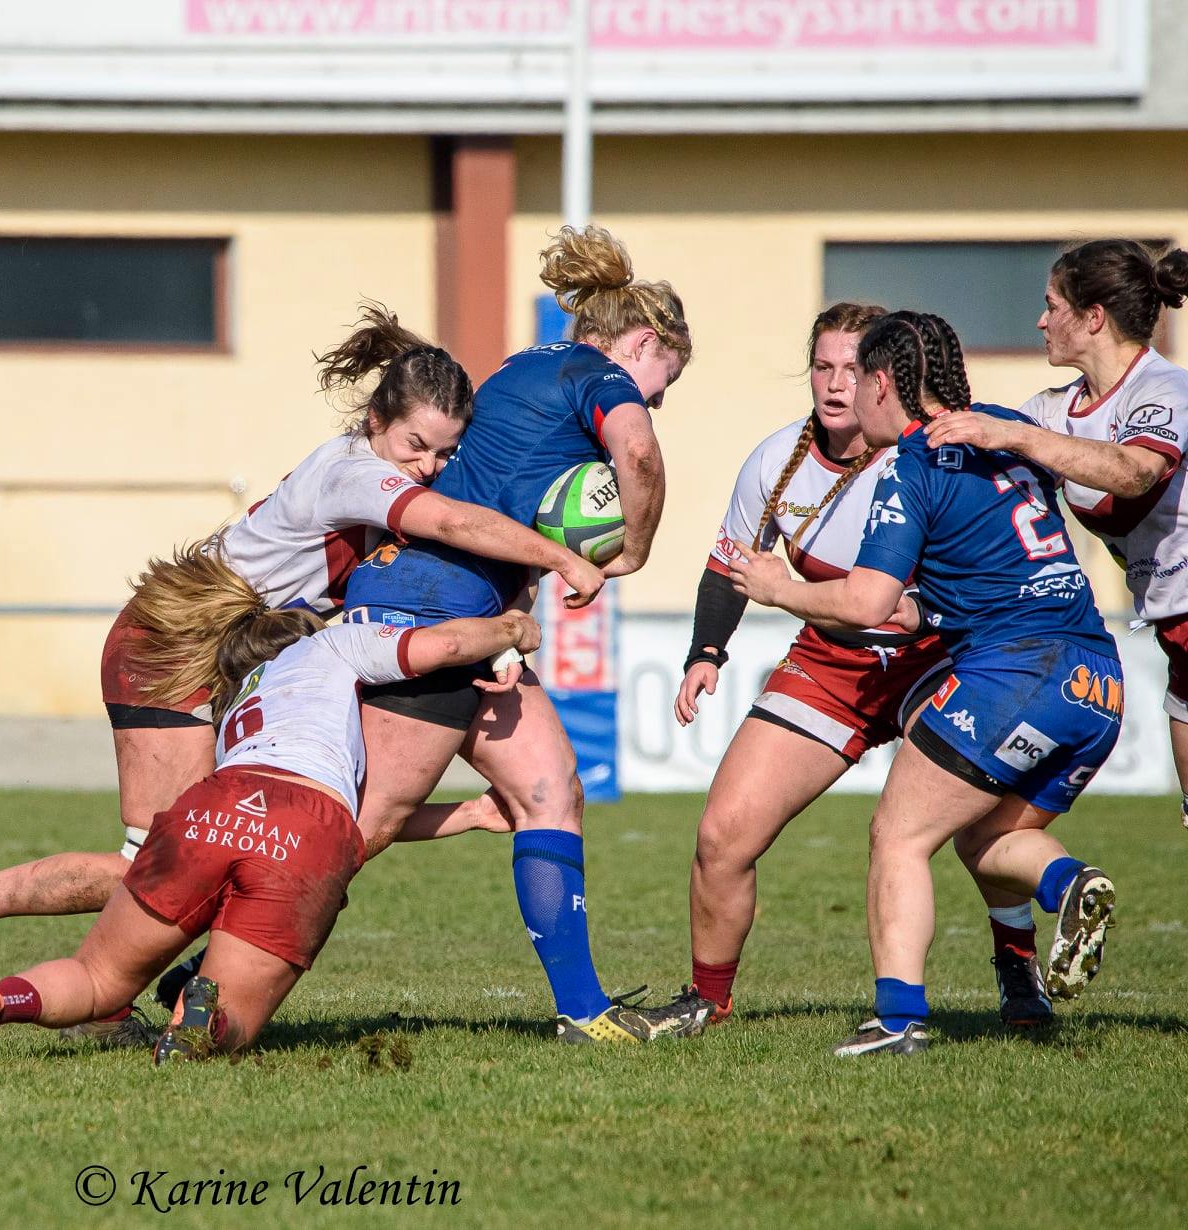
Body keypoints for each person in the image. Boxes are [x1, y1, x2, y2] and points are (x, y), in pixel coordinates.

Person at [0, 306, 605, 1028]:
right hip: (171, 645)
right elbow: (450, 523)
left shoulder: (377, 464)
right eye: (418, 446)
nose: (429, 468)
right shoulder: (355, 474)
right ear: (378, 420)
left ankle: (106, 992)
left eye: (444, 454)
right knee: (166, 858)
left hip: (224, 648)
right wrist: (559, 554)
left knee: (196, 848)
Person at [0, 597, 542, 1066]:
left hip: (206, 807)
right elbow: (445, 649)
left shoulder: (241, 696)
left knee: (98, 978)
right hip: (306, 825)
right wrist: (511, 628)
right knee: (234, 1030)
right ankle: (203, 1011)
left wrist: (475, 814)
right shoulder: (332, 645)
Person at [339, 224, 708, 1045]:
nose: (652, 400)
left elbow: (504, 495)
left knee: (550, 790)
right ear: (642, 343)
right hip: (427, 615)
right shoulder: (593, 373)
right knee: (353, 830)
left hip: (473, 624)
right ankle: (197, 960)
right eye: (662, 381)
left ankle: (582, 1012)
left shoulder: (520, 368)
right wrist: (635, 551)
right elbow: (638, 454)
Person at [730, 310, 1119, 1057]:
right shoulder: (1003, 427)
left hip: (1015, 670)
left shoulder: (909, 465)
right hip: (1095, 683)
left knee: (898, 837)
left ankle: (899, 1021)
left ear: (884, 383)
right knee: (989, 834)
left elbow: (865, 602)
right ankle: (1067, 883)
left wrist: (777, 589)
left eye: (858, 378)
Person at [925, 239, 1188, 820]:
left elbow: (1134, 472)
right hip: (1176, 630)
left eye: (1052, 305)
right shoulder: (1054, 410)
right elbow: (987, 472)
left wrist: (1014, 436)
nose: (1041, 320)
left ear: (1093, 317)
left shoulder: (1165, 389)